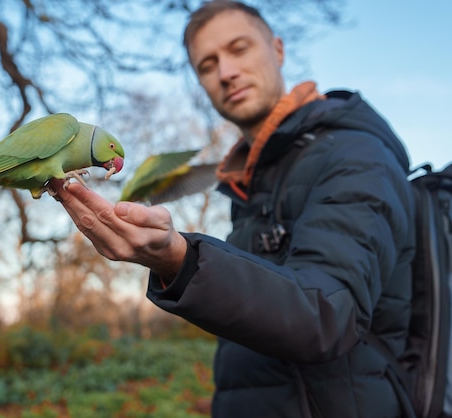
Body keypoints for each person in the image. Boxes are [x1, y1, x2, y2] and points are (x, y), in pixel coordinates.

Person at [50, 1, 415, 417]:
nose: (225, 73)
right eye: (207, 65)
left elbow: (326, 314)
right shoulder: (254, 178)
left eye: (239, 49)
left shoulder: (355, 154)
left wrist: (182, 260)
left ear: (277, 49)